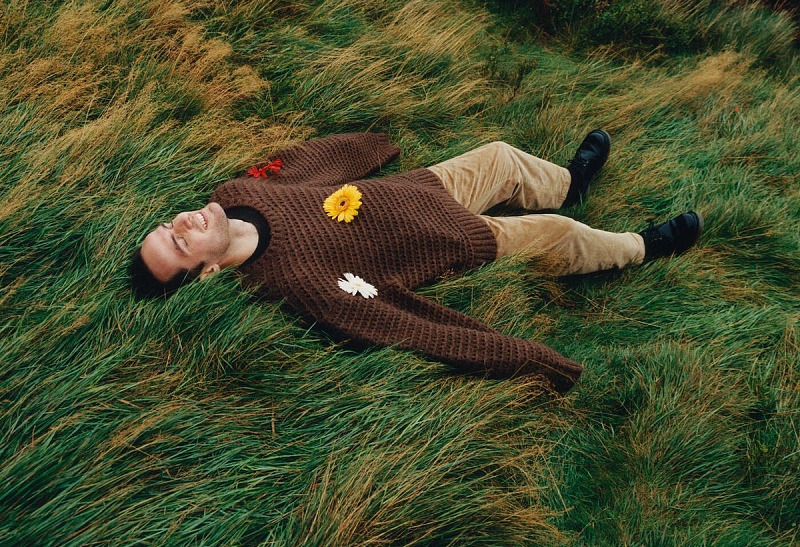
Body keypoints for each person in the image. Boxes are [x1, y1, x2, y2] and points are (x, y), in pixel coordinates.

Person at [131, 131, 702, 393]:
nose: (181, 223)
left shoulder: (233, 193)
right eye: (179, 245)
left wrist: (370, 146)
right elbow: (402, 325)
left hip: (421, 187)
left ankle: (569, 184)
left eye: (166, 227)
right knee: (560, 235)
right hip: (451, 237)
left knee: (502, 158)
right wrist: (530, 359)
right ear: (207, 272)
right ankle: (644, 247)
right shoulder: (295, 284)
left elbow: (303, 167)